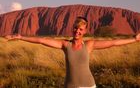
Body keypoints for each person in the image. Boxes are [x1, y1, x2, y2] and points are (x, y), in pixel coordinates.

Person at [5, 17, 140, 88]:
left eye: (80, 29)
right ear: (73, 28)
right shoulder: (65, 44)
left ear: (85, 31)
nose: (77, 31)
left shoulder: (89, 45)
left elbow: (113, 43)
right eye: (76, 28)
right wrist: (21, 37)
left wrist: (134, 40)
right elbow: (41, 40)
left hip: (88, 86)